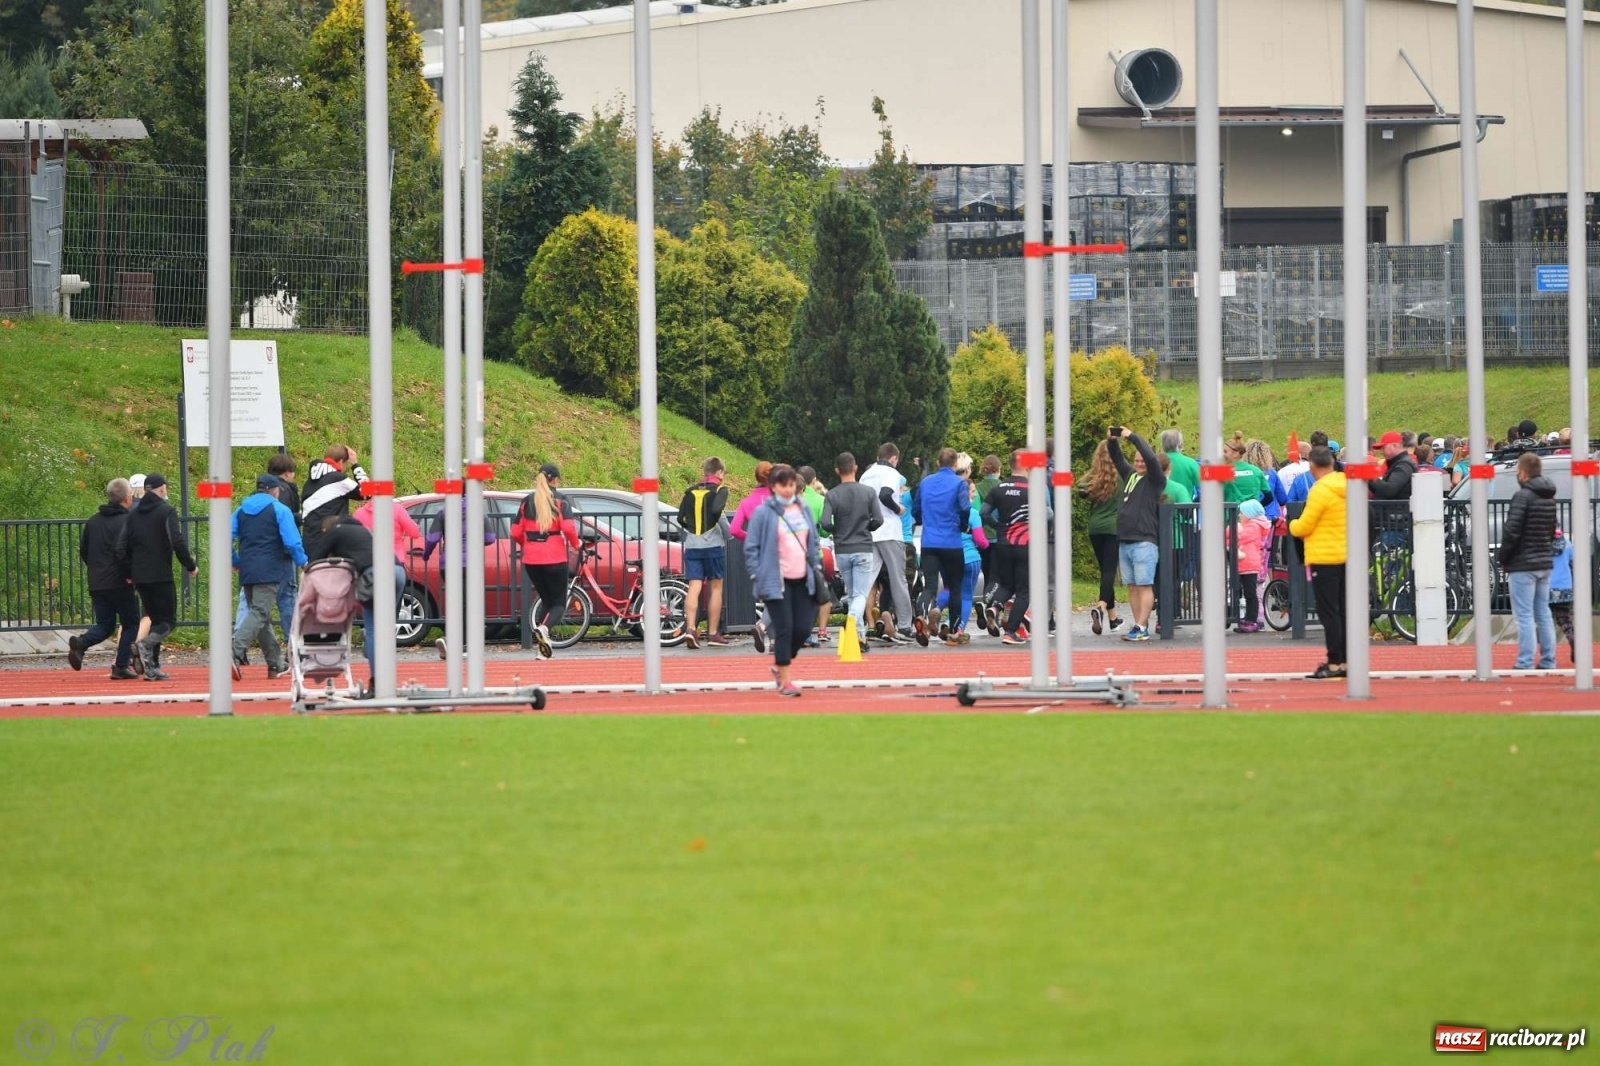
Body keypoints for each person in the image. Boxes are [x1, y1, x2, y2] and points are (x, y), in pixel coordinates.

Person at [743, 465, 823, 697]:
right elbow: (752, 547)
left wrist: (815, 565)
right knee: (785, 628)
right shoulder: (763, 513)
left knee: (803, 629)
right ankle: (785, 681)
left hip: (804, 578)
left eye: (790, 485)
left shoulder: (803, 508)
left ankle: (780, 665)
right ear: (773, 487)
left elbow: (813, 539)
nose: (787, 490)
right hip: (776, 581)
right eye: (782, 485)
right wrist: (757, 575)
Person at [116, 473, 197, 681]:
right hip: (160, 574)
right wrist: (190, 565)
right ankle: (145, 644)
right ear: (162, 489)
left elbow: (121, 546)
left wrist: (129, 573)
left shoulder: (132, 513)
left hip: (140, 577)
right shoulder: (166, 511)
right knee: (168, 621)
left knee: (154, 619)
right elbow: (176, 540)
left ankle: (152, 667)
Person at [230, 473, 308, 680]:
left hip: (247, 569)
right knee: (259, 612)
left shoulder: (240, 510)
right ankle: (234, 651)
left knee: (260, 616)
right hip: (270, 569)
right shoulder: (279, 509)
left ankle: (275, 664)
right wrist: (303, 562)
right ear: (275, 490)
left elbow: (225, 536)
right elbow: (292, 541)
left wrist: (235, 561)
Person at [68, 478, 141, 679]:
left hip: (97, 581)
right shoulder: (127, 521)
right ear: (128, 498)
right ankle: (121, 665)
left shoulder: (93, 521)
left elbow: (84, 551)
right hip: (120, 581)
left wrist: (96, 569)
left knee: (105, 624)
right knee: (131, 622)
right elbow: (126, 552)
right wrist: (131, 575)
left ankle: (81, 643)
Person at [1288, 446, 1348, 679]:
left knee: (1328, 612)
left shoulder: (1320, 490)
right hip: (1346, 554)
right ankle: (1345, 659)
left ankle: (1334, 661)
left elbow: (1305, 525)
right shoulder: (1347, 485)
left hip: (1324, 556)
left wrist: (1292, 525)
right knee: (1343, 611)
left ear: (1312, 466)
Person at [1496, 451, 1558, 670]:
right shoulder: (1548, 497)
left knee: (1523, 615)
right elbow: (1552, 531)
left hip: (1523, 563)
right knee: (1543, 612)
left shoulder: (1522, 497)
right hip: (1544, 561)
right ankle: (1549, 660)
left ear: (1522, 472)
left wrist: (1503, 558)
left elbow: (1512, 531)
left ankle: (1525, 662)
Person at [510, 465, 581, 658]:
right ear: (555, 480)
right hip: (555, 556)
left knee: (546, 601)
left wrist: (528, 543)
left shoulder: (526, 502)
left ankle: (543, 650)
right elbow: (568, 528)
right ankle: (543, 629)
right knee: (559, 603)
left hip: (532, 559)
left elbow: (515, 531)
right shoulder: (560, 502)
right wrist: (577, 544)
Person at [1106, 426, 1166, 641]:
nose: (1140, 463)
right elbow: (1117, 459)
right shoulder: (1131, 475)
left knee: (1144, 585)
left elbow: (1149, 455)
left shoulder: (1155, 479)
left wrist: (1131, 436)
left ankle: (1141, 626)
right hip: (1125, 540)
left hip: (1144, 541)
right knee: (1132, 587)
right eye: (1136, 460)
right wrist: (1112, 441)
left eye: (1142, 461)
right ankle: (1139, 625)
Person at [819, 452, 882, 654]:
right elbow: (879, 519)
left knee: (854, 592)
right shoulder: (869, 493)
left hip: (842, 548)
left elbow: (826, 522)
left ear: (837, 470)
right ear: (855, 468)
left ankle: (860, 637)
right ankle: (854, 619)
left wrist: (838, 530)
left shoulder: (832, 495)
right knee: (861, 594)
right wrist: (867, 527)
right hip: (863, 546)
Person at [421, 495, 497, 659]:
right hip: (471, 564)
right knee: (469, 605)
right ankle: (457, 643)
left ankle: (453, 641)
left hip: (448, 564)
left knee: (456, 604)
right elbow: (490, 538)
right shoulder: (478, 511)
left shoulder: (443, 511)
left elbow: (432, 538)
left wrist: (426, 555)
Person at [912, 448, 970, 645]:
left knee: (929, 586)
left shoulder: (925, 483)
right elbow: (965, 507)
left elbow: (916, 508)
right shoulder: (959, 483)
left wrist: (922, 520)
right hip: (952, 543)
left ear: (938, 463)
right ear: (955, 465)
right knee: (955, 587)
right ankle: (954, 632)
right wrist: (963, 525)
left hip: (929, 542)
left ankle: (920, 614)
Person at [858, 443, 913, 642]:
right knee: (898, 579)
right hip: (890, 529)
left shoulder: (866, 475)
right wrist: (898, 509)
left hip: (870, 530)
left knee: (867, 580)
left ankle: (856, 622)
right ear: (893, 458)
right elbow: (885, 494)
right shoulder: (891, 473)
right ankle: (906, 625)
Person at [980, 450, 1036, 644]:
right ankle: (1010, 632)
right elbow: (1047, 515)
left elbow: (984, 513)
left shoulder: (999, 488)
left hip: (1003, 543)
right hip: (1025, 544)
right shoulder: (1033, 488)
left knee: (1007, 584)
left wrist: (999, 526)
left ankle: (994, 607)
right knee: (1024, 591)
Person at [677, 456, 731, 649]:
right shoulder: (719, 491)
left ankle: (691, 629)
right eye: (723, 473)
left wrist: (692, 530)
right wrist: (729, 536)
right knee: (716, 588)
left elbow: (680, 518)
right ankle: (713, 633)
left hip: (692, 545)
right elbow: (720, 517)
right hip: (713, 546)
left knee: (694, 586)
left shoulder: (690, 491)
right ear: (718, 472)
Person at [729, 460, 775, 653]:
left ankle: (773, 642)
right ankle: (762, 627)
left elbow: (733, 529)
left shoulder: (747, 502)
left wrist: (750, 538)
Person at [1079, 440, 1123, 636]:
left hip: (1095, 528)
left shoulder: (1094, 478)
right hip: (1115, 528)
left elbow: (1081, 488)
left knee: (1104, 570)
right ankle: (1101, 606)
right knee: (1109, 571)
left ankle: (1113, 618)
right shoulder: (1122, 476)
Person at [300, 444, 369, 558]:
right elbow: (368, 491)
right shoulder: (337, 479)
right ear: (341, 461)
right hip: (332, 544)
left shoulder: (309, 483)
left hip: (311, 545)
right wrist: (355, 464)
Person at [1369, 430, 1417, 548]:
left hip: (1395, 524)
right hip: (1393, 523)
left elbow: (1390, 490)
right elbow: (1384, 490)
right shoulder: (1400, 464)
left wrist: (1370, 477)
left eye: (1383, 448)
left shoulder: (1403, 465)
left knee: (1386, 560)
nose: (1381, 452)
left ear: (1395, 446)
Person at [1233, 499, 1271, 633]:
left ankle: (1252, 620)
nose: (1239, 516)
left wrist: (1231, 529)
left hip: (1249, 564)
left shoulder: (1254, 526)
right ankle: (1248, 618)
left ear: (1249, 514)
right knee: (1247, 592)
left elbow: (1238, 535)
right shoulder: (1253, 525)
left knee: (1250, 593)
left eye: (1241, 513)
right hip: (1245, 564)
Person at [974, 454, 1003, 601]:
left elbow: (978, 512)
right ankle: (992, 604)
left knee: (986, 573)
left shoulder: (977, 488)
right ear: (999, 469)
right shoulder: (1002, 486)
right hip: (1000, 536)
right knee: (997, 575)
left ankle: (986, 600)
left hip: (983, 537)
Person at [1549, 528, 1576, 663]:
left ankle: (1549, 655)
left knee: (1546, 621)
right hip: (1565, 586)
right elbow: (1573, 562)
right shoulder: (1567, 543)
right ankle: (1572, 637)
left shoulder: (1543, 544)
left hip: (1547, 586)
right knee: (1564, 619)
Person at [1160, 429, 1201, 505]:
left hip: (1159, 512)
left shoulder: (1157, 462)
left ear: (1162, 444)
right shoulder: (1191, 463)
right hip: (1184, 510)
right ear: (1180, 444)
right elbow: (1204, 487)